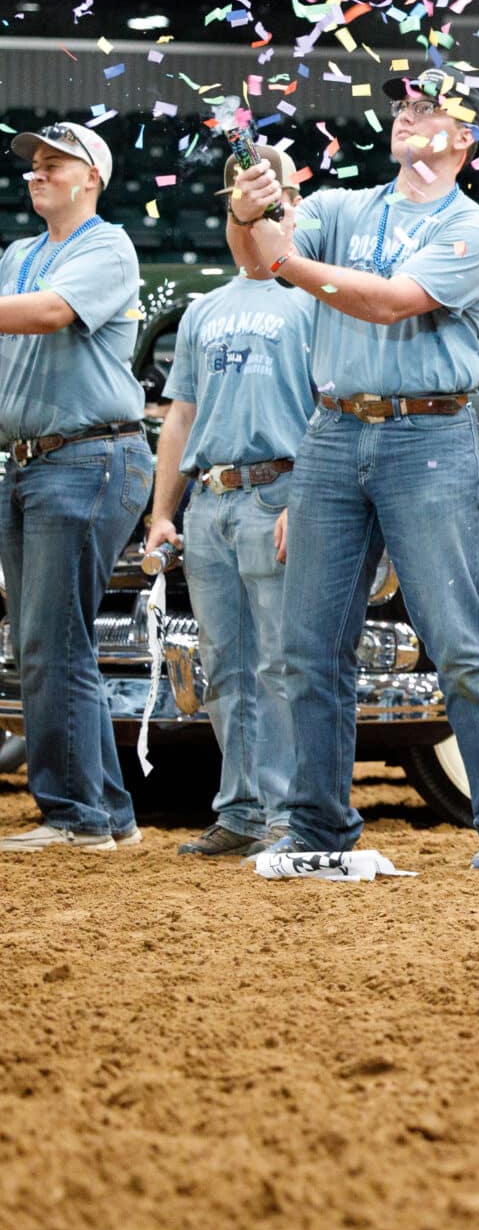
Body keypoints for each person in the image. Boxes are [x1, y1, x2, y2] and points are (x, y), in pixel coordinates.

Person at [227, 89, 479, 870]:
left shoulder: (474, 227)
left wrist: (281, 252)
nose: (407, 114)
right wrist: (247, 213)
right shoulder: (345, 204)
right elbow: (257, 261)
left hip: (428, 434)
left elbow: (389, 304)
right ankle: (318, 823)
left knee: (457, 638)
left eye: (428, 107)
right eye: (403, 104)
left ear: (464, 139)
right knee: (308, 645)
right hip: (335, 429)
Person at [144, 139, 318, 859]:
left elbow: (328, 409)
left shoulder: (313, 296)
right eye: (237, 200)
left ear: (289, 205)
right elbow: (179, 415)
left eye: (265, 197)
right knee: (226, 665)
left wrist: (302, 499)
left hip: (275, 489)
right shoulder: (202, 311)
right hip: (211, 502)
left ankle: (287, 813)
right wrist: (162, 510)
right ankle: (241, 807)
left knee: (281, 663)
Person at [0, 122, 152, 853]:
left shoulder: (105, 245)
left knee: (50, 641)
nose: (37, 171)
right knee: (58, 642)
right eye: (34, 162)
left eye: (53, 162)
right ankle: (107, 812)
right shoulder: (18, 254)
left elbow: (54, 312)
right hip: (37, 458)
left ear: (90, 176)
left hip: (87, 456)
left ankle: (76, 815)